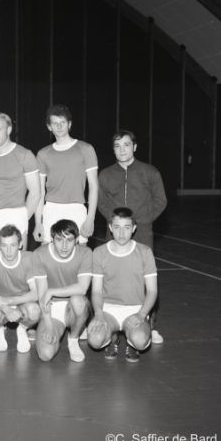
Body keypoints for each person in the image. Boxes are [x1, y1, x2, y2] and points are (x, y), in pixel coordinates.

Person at [98, 129, 167, 344]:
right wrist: (116, 224)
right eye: (117, 146)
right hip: (115, 233)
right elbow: (101, 202)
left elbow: (161, 200)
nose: (122, 150)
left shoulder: (150, 172)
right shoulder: (105, 174)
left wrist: (142, 221)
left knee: (146, 280)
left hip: (142, 232)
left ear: (134, 147)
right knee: (111, 277)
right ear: (113, 150)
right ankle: (109, 324)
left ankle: (149, 325)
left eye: (126, 145)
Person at [87, 207, 158, 363]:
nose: (121, 233)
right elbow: (96, 291)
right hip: (108, 310)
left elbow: (152, 291)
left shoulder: (145, 252)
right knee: (94, 340)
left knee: (140, 340)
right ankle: (112, 337)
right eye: (117, 227)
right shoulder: (99, 252)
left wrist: (141, 314)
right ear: (110, 228)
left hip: (135, 310)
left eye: (126, 227)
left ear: (134, 228)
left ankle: (132, 342)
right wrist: (98, 314)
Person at [34, 104, 98, 245]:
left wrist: (90, 218)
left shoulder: (86, 149)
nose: (59, 126)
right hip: (51, 209)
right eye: (55, 123)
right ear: (49, 127)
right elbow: (40, 192)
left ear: (69, 124)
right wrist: (38, 222)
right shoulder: (43, 153)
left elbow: (94, 187)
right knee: (47, 254)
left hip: (76, 209)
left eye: (62, 122)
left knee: (80, 254)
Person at [33, 219, 92, 363]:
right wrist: (48, 325)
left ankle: (73, 339)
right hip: (51, 308)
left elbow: (82, 288)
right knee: (46, 354)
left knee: (78, 301)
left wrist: (52, 291)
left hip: (74, 305)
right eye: (59, 240)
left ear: (77, 240)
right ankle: (65, 327)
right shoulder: (40, 254)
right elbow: (42, 295)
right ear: (52, 239)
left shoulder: (85, 253)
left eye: (69, 240)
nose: (64, 246)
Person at [0, 113, 40, 252]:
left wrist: (22, 217)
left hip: (15, 214)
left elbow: (35, 192)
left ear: (8, 129)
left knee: (17, 263)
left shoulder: (25, 155)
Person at [0, 225, 40, 353]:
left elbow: (35, 293)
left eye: (13, 245)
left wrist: (9, 301)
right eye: (4, 245)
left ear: (20, 245)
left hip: (21, 302)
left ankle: (22, 329)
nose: (9, 251)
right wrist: (6, 309)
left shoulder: (28, 258)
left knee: (35, 311)